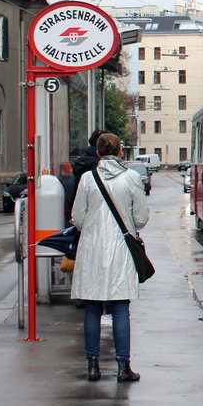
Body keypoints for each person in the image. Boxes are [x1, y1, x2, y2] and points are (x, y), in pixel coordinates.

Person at [70, 132, 149, 383]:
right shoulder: (131, 178)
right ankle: (123, 367)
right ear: (120, 152)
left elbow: (78, 217)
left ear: (97, 153)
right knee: (120, 308)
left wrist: (93, 229)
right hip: (121, 248)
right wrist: (127, 227)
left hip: (92, 248)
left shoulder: (87, 179)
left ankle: (93, 366)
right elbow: (141, 218)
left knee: (92, 307)